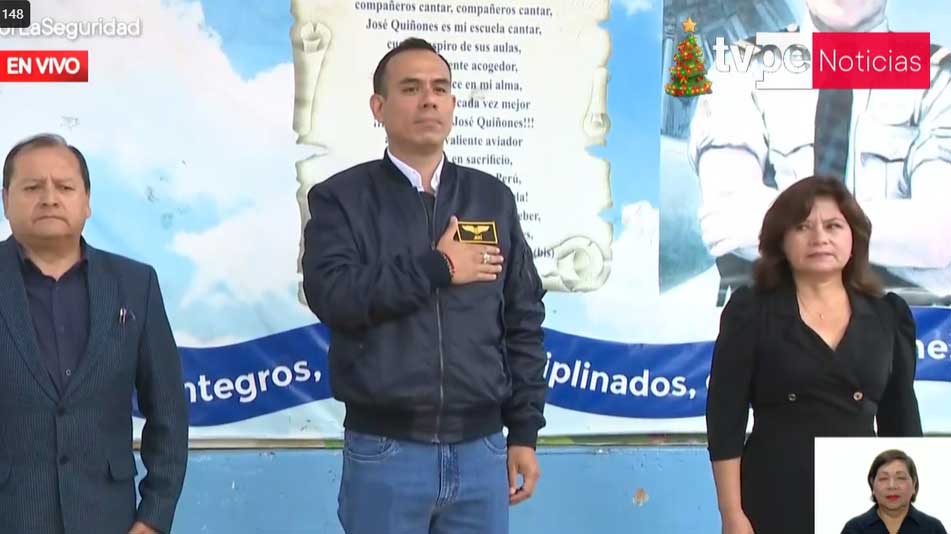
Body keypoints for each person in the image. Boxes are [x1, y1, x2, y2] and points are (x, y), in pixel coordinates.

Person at [301, 37, 547, 534]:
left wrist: (523, 431)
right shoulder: (342, 199)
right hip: (386, 453)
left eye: (440, 88)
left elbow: (523, 317)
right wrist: (438, 267)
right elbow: (335, 297)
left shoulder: (491, 198)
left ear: (453, 104)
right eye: (411, 88)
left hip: (482, 453)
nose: (429, 100)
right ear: (379, 107)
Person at [689, 0, 951, 305]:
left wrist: (779, 228)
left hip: (905, 324)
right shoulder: (743, 68)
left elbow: (939, 235)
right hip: (771, 320)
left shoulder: (938, 79)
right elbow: (727, 218)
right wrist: (894, 244)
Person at [705, 176, 923, 534]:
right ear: (781, 241)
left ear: (853, 238)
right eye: (803, 226)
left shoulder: (888, 315)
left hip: (861, 499)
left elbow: (902, 421)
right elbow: (725, 418)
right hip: (773, 495)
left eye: (833, 226)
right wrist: (732, 514)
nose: (820, 237)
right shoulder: (750, 311)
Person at [0, 134, 188, 533]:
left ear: (86, 201)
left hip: (110, 519)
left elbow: (169, 411)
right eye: (32, 188)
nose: (49, 198)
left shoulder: (135, 285)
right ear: (5, 200)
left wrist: (153, 518)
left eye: (64, 187)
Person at [841, 449, 947, 534]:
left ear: (914, 484)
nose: (892, 486)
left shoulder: (933, 528)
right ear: (872, 484)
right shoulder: (854, 529)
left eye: (900, 478)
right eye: (883, 478)